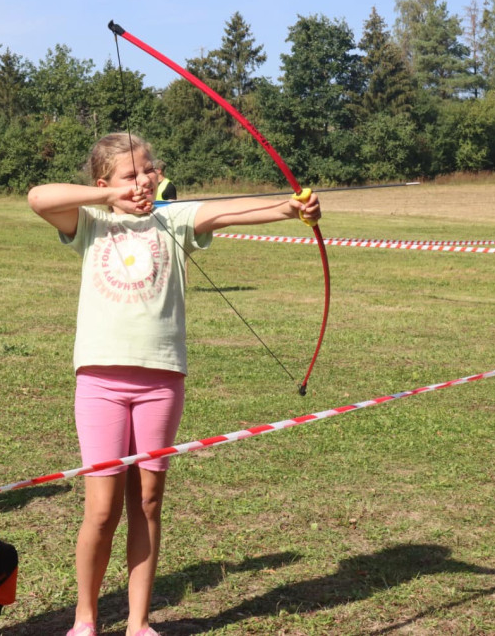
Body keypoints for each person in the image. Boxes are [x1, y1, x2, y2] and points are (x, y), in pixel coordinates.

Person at [27, 133, 320, 636]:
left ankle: (138, 623)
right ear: (103, 183)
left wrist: (290, 209)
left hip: (161, 379)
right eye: (129, 176)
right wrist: (106, 199)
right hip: (100, 379)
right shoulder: (91, 222)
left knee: (147, 500)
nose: (142, 182)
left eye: (147, 171)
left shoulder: (174, 218)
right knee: (100, 509)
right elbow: (37, 198)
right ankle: (85, 619)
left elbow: (233, 213)